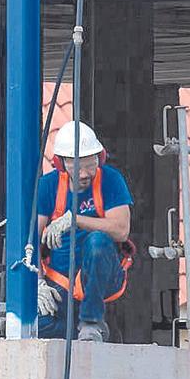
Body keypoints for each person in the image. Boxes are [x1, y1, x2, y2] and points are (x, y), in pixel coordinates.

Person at [35, 120, 134, 342]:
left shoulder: (110, 180)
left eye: (90, 165)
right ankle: (76, 330)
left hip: (101, 278)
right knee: (35, 327)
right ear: (61, 164)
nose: (84, 174)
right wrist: (37, 283)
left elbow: (121, 230)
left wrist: (75, 220)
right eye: (77, 167)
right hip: (60, 282)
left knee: (98, 241)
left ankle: (91, 322)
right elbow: (30, 240)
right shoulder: (48, 186)